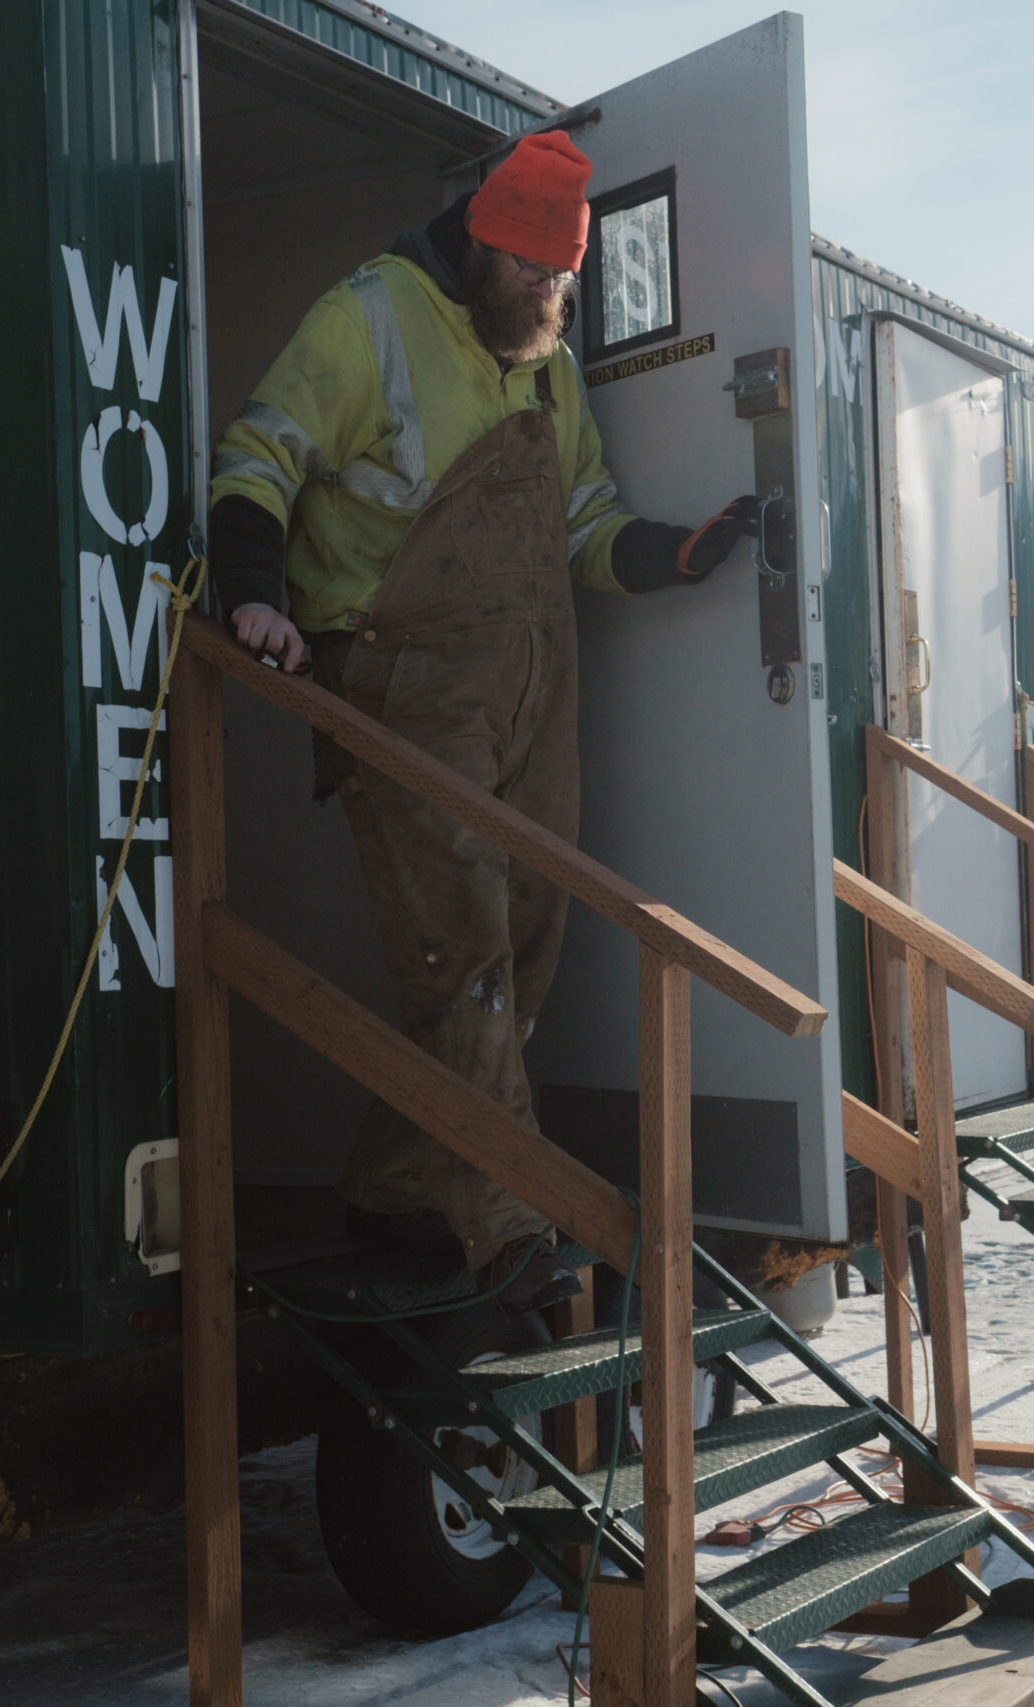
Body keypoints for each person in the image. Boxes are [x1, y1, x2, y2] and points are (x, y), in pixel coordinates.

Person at [207, 133, 753, 1310]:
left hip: (530, 683)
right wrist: (253, 596)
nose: (551, 297)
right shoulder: (368, 321)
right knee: (461, 949)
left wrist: (673, 555)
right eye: (532, 273)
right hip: (399, 680)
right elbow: (254, 460)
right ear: (481, 240)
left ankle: (398, 1185)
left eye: (566, 279)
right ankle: (513, 1225)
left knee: (528, 944)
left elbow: (583, 526)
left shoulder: (549, 364)